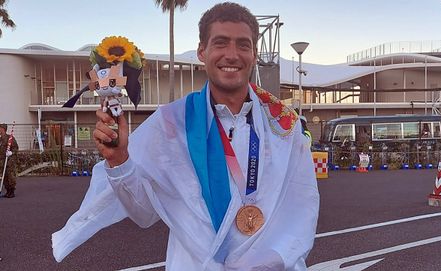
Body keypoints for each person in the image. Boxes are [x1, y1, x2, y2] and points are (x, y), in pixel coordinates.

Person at [52, 2, 319, 270]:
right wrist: (119, 160)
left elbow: (302, 206)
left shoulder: (283, 125)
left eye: (243, 45)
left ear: (254, 53)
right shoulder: (170, 123)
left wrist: (270, 261)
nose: (232, 54)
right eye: (221, 43)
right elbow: (143, 212)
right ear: (202, 51)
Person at [0, 123, 18, 198]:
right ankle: (7, 191)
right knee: (4, 177)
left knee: (10, 175)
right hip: (2, 160)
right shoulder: (0, 139)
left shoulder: (10, 138)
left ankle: (12, 191)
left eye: (0, 128)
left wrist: (11, 153)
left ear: (3, 129)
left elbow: (15, 148)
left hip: (9, 161)